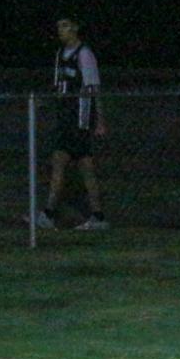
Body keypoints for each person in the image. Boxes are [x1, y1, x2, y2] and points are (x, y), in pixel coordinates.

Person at [38, 17, 108, 230]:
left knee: (61, 160)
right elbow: (59, 86)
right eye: (59, 26)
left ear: (76, 28)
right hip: (65, 117)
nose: (61, 30)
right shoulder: (60, 55)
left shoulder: (85, 55)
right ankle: (97, 217)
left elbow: (93, 88)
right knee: (83, 166)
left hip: (80, 119)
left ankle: (49, 214)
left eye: (65, 25)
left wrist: (100, 120)